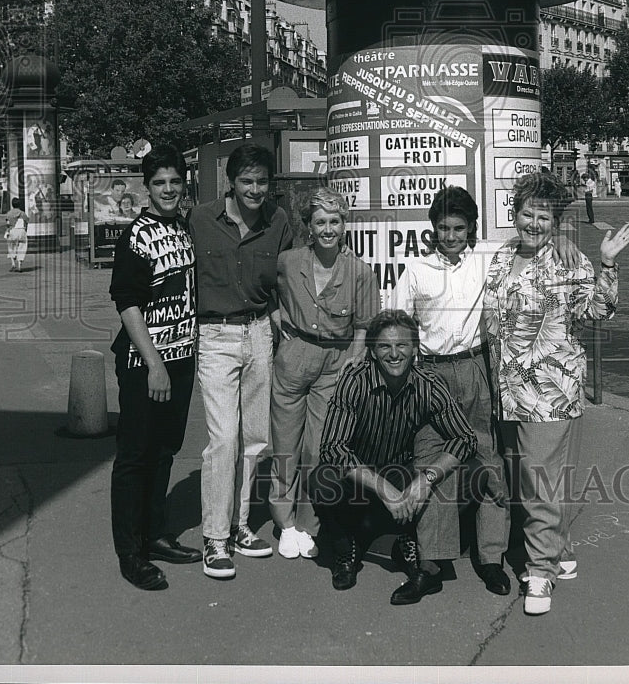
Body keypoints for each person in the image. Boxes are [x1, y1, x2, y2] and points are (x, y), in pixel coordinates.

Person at [483, 171, 629, 615]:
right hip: (508, 391)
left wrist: (606, 263)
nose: (534, 223)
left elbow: (597, 310)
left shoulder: (569, 263)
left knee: (540, 487)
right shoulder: (503, 254)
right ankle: (561, 551)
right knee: (534, 481)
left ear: (556, 223)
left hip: (550, 392)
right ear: (516, 214)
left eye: (544, 217)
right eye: (528, 213)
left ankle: (540, 575)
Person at [390, 186, 512, 595]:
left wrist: (565, 242)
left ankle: (491, 557)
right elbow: (394, 325)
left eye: (459, 228)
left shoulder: (489, 257)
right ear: (433, 229)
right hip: (430, 375)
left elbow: (533, 242)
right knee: (431, 463)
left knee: (487, 458)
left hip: (475, 368)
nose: (451, 236)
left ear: (472, 227)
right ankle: (431, 565)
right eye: (443, 228)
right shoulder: (418, 269)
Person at [308, 310, 477, 605]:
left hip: (403, 471)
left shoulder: (429, 383)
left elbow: (465, 438)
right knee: (322, 480)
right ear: (372, 351)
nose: (394, 354)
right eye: (385, 346)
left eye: (402, 345)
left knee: (471, 473)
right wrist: (384, 490)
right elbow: (333, 448)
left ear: (415, 349)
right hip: (360, 475)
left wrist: (426, 480)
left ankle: (408, 537)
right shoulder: (354, 381)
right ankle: (345, 547)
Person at [188, 143, 292, 580]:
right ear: (231, 181)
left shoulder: (279, 222)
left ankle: (240, 526)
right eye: (247, 181)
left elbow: (286, 280)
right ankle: (214, 537)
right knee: (223, 439)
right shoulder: (200, 219)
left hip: (260, 333)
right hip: (215, 335)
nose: (255, 189)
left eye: (262, 182)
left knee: (254, 437)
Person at [108, 143, 201, 591]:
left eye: (174, 182)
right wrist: (154, 365)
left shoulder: (181, 227)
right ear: (147, 188)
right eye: (159, 183)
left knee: (164, 450)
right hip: (146, 363)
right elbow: (127, 303)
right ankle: (131, 552)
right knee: (134, 456)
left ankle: (154, 533)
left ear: (184, 186)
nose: (167, 189)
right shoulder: (137, 235)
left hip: (181, 357)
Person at [270, 187, 380, 561]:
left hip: (335, 362)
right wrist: (277, 323)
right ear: (309, 227)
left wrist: (355, 358)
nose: (328, 229)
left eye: (335, 221)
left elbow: (365, 324)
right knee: (285, 444)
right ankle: (283, 522)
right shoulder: (288, 261)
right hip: (295, 356)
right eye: (320, 222)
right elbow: (267, 292)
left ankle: (308, 523)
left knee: (319, 449)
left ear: (345, 225)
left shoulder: (360, 272)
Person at [5, 198, 29, 272]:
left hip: (13, 230)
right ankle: (19, 265)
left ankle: (13, 264)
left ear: (12, 204)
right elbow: (27, 221)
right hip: (22, 230)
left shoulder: (9, 213)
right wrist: (25, 230)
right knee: (22, 247)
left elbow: (8, 224)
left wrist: (7, 230)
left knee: (11, 247)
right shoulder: (22, 213)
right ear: (19, 204)